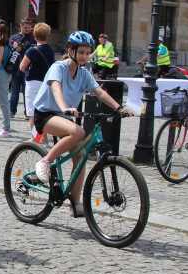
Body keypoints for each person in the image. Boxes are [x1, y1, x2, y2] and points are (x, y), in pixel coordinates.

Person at [32, 31, 132, 217]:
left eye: (87, 53)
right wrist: (65, 107)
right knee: (78, 132)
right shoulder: (58, 67)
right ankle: (45, 162)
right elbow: (56, 88)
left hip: (65, 117)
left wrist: (119, 108)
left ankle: (75, 203)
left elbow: (99, 92)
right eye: (81, 52)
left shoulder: (84, 73)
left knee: (81, 158)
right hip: (46, 114)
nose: (85, 56)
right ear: (71, 50)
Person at [20, 22, 55, 136]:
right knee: (43, 111)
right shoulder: (50, 49)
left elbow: (22, 67)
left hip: (33, 82)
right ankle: (44, 137)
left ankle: (35, 137)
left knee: (32, 112)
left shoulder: (32, 50)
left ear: (35, 35)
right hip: (46, 82)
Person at [10, 18, 36, 116]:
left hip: (28, 68)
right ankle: (12, 111)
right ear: (21, 26)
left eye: (29, 27)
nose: (27, 29)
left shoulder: (33, 38)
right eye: (25, 27)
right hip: (15, 68)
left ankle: (27, 112)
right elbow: (9, 51)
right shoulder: (14, 37)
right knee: (14, 91)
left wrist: (23, 49)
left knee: (27, 92)